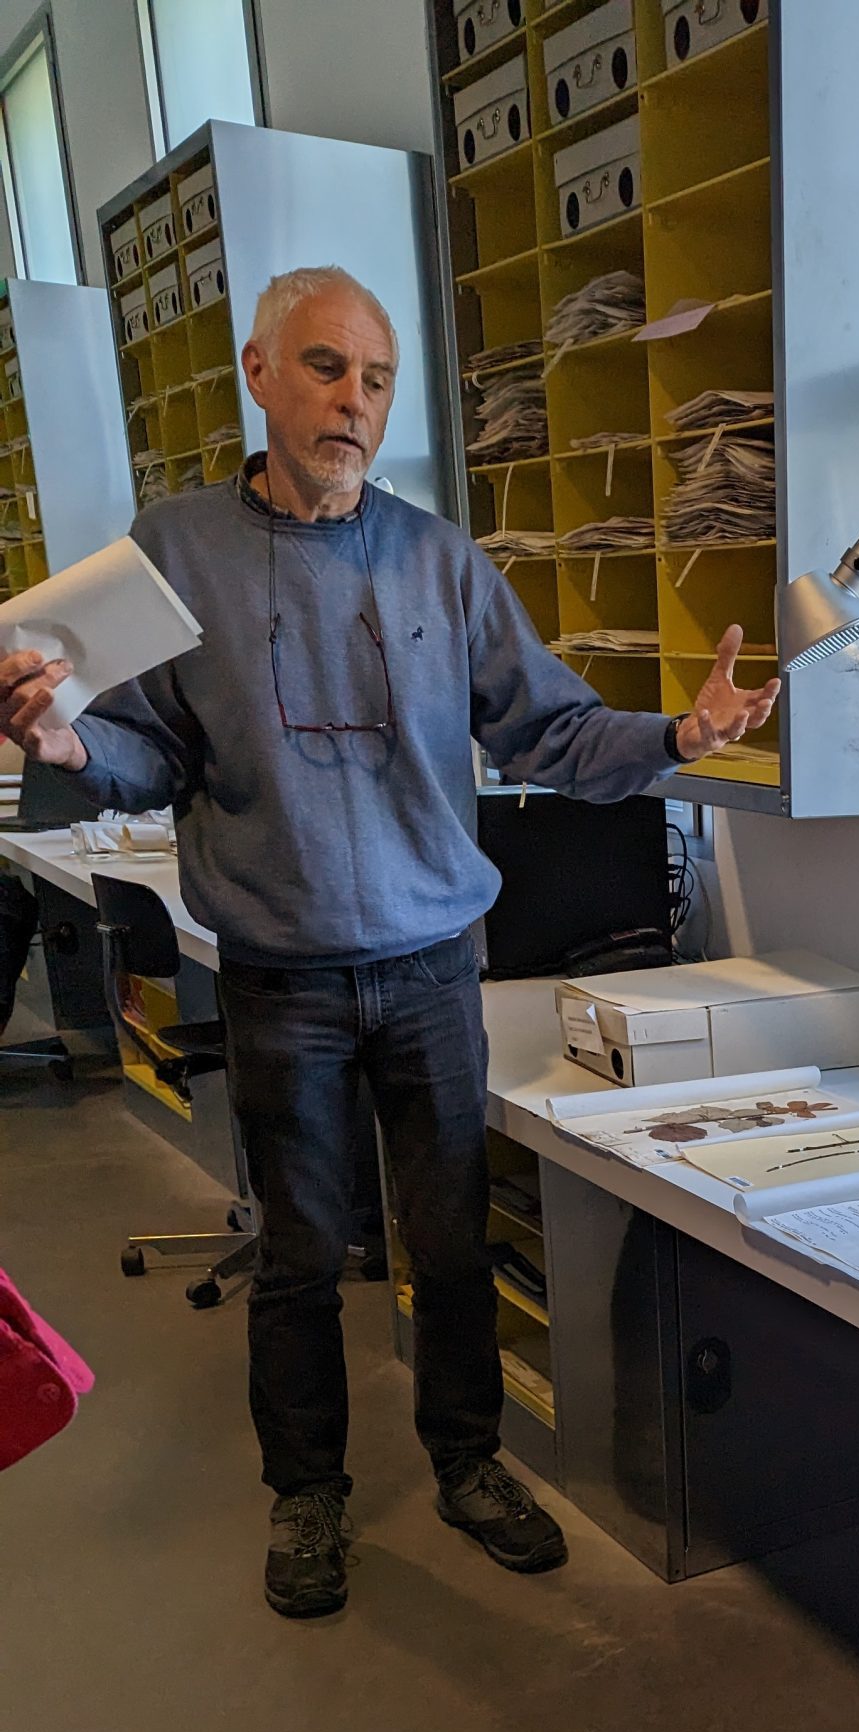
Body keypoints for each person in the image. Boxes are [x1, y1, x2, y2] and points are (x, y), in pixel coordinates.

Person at [0, 267, 779, 1620]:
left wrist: (679, 739)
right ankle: (306, 1492)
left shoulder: (439, 559)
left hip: (429, 966)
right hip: (281, 969)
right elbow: (143, 750)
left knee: (452, 1238)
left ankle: (468, 1462)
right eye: (322, 368)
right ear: (257, 373)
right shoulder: (174, 548)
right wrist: (63, 738)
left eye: (373, 378)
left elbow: (548, 727)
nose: (351, 401)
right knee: (302, 1252)